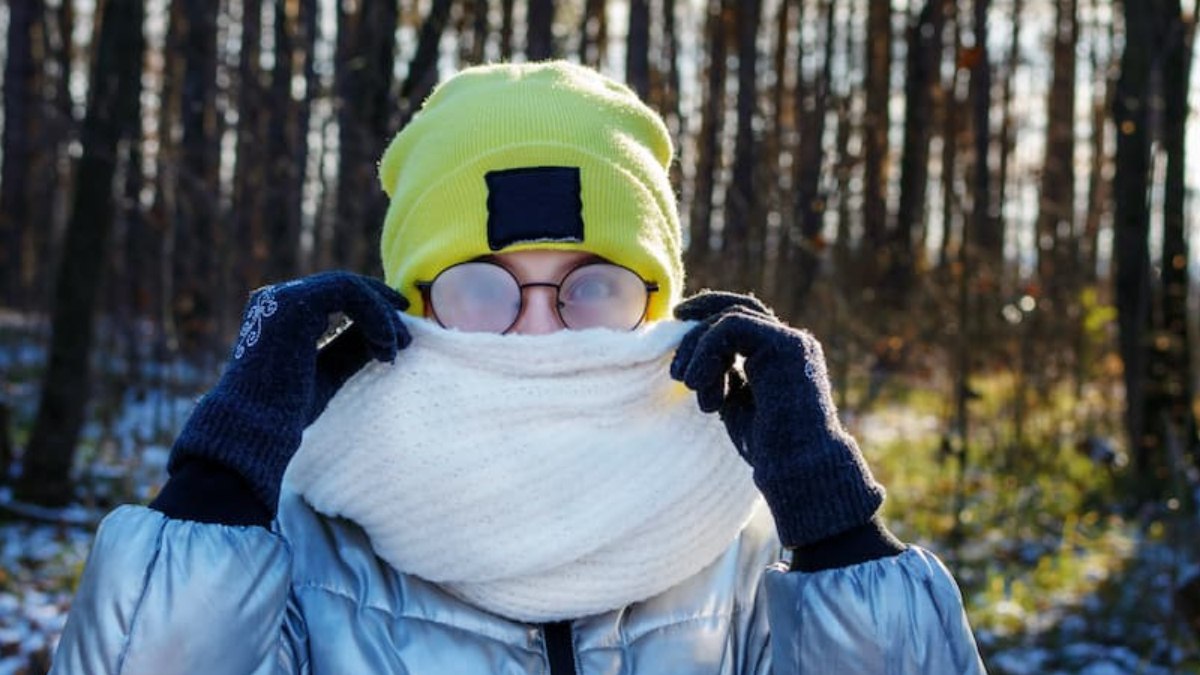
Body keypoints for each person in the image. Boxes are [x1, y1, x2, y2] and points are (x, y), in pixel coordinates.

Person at [50, 61, 986, 674]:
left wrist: (836, 538)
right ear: (407, 307)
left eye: (596, 286)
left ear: (661, 305)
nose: (541, 331)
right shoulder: (302, 543)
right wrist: (215, 492)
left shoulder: (734, 547)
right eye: (484, 287)